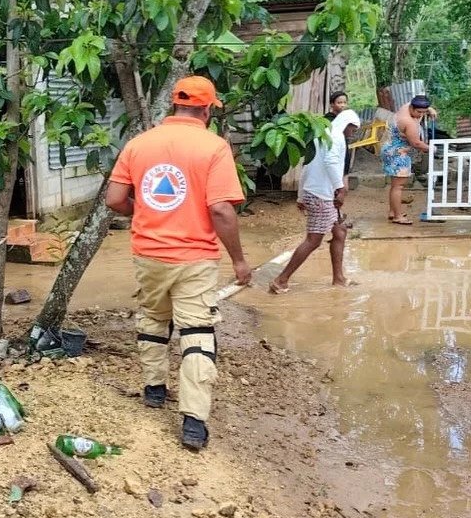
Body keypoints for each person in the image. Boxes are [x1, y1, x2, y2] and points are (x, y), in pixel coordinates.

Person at [105, 76, 252, 452]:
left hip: (148, 254)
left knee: (154, 318)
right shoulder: (214, 147)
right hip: (195, 258)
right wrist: (239, 260)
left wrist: (143, 211)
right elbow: (220, 209)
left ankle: (155, 390)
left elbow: (115, 199)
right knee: (197, 333)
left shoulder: (139, 144)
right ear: (206, 109)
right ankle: (193, 423)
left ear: (175, 105)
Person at [269, 109, 361, 293]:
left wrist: (301, 195)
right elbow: (330, 162)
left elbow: (308, 165)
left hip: (317, 192)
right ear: (346, 124)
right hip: (322, 195)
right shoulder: (336, 137)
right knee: (313, 240)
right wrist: (340, 189)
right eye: (352, 128)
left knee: (340, 231)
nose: (353, 133)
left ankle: (339, 278)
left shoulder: (323, 135)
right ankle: (281, 280)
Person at [382, 95, 436, 225]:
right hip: (398, 154)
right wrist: (432, 148)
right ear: (412, 107)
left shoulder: (405, 107)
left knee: (395, 185)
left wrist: (430, 110)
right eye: (418, 112)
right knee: (398, 186)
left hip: (389, 148)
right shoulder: (408, 122)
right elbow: (416, 143)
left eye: (424, 112)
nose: (420, 115)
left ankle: (393, 212)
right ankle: (398, 216)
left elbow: (421, 108)